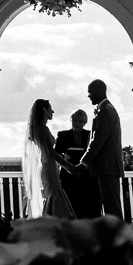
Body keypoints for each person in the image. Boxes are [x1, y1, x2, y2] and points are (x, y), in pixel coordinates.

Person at [77, 79, 125, 217]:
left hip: (107, 167)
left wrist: (83, 163)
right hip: (106, 167)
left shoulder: (105, 111)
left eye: (90, 92)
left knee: (112, 208)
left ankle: (117, 236)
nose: (89, 96)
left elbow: (98, 140)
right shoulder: (106, 109)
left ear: (99, 92)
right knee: (109, 207)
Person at [22, 99, 75, 218]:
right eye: (50, 108)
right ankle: (52, 221)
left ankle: (52, 220)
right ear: (44, 110)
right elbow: (51, 152)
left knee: (53, 195)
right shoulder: (42, 129)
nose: (53, 111)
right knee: (54, 195)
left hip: (47, 165)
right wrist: (68, 166)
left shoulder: (39, 129)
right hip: (48, 166)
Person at [56, 110, 100, 217]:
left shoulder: (90, 135)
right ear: (71, 121)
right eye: (75, 120)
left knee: (88, 207)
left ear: (85, 123)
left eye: (80, 121)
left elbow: (94, 153)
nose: (77, 123)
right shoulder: (63, 135)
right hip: (68, 176)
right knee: (70, 206)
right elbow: (55, 154)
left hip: (86, 177)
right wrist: (65, 158)